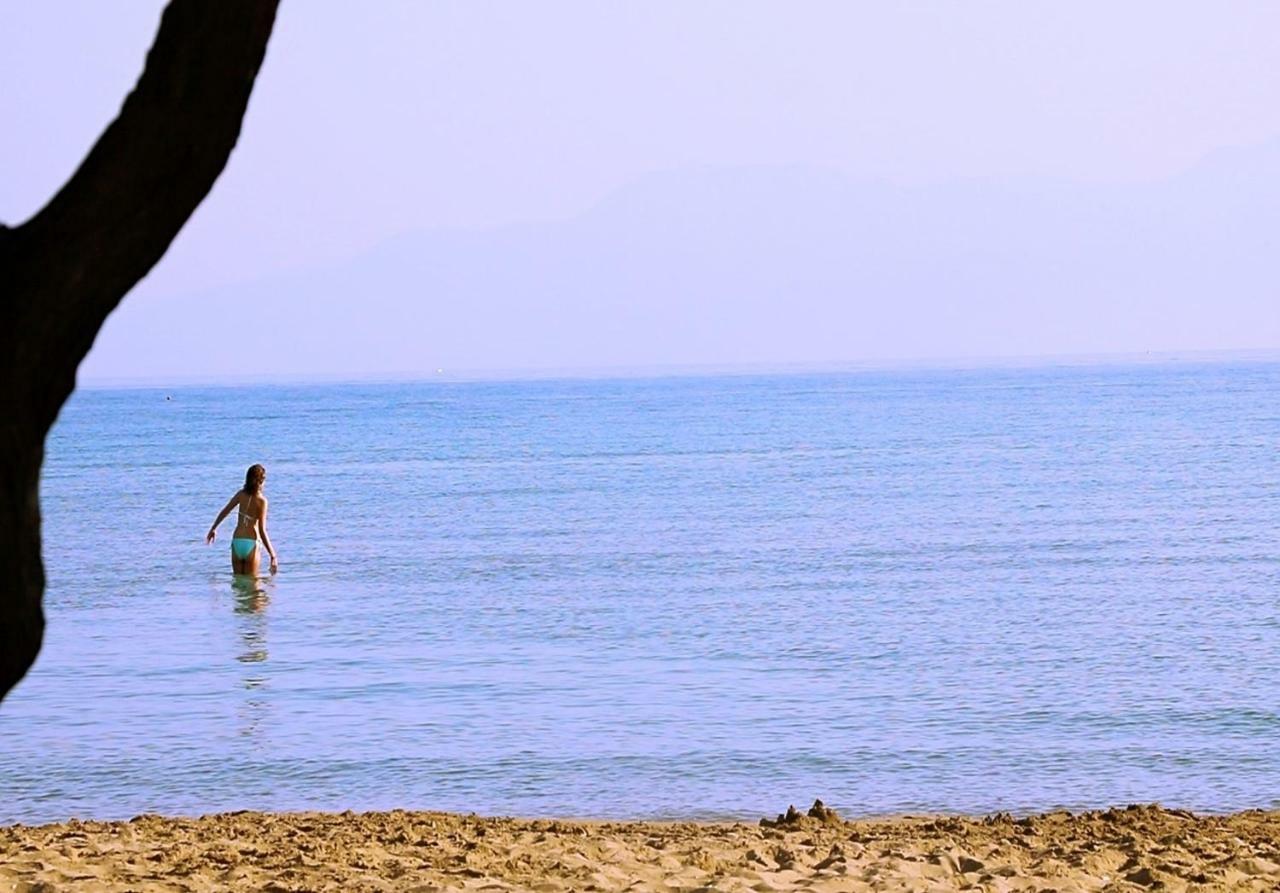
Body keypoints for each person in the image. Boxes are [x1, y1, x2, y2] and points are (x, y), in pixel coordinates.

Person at [206, 464, 278, 575]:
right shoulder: (262, 501)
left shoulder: (241, 494)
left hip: (237, 542)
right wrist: (272, 555)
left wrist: (213, 528)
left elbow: (225, 511)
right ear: (261, 481)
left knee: (238, 586)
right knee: (253, 588)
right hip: (252, 543)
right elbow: (262, 530)